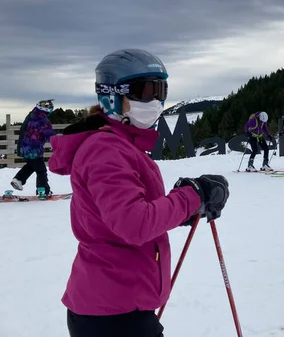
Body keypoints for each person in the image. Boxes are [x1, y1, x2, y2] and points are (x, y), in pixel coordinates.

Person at [48, 49, 230, 337]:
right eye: (144, 91)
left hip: (118, 305)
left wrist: (185, 207)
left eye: (160, 91)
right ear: (112, 97)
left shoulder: (120, 146)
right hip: (113, 314)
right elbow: (134, 223)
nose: (155, 101)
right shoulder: (105, 150)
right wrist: (191, 196)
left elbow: (126, 214)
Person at [11, 99, 56, 199]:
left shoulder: (30, 117)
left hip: (24, 148)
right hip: (34, 150)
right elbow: (50, 135)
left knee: (32, 165)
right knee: (41, 170)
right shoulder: (43, 120)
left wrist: (20, 148)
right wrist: (58, 144)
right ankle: (43, 190)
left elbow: (22, 131)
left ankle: (18, 179)